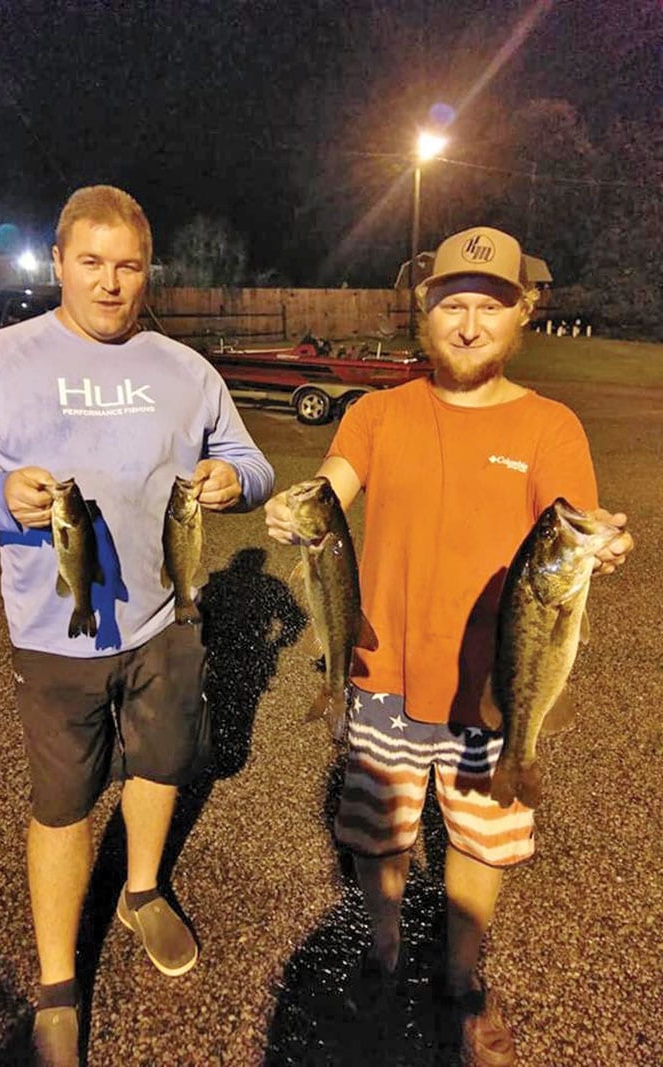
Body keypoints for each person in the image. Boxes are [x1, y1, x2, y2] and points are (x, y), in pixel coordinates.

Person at [0, 185, 274, 1066]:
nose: (110, 283)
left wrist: (234, 483)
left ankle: (143, 889)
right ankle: (59, 982)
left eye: (129, 266)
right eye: (92, 262)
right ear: (59, 261)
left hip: (167, 619)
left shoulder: (186, 370)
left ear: (149, 272)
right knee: (62, 806)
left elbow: (248, 460)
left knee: (160, 763)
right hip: (52, 636)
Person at [264, 226, 633, 1066]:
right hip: (381, 670)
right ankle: (384, 953)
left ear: (524, 314)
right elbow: (332, 487)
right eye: (452, 305)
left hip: (492, 687)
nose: (469, 325)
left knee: (479, 837)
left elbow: (576, 521)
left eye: (490, 307)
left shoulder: (550, 425)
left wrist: (604, 541)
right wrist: (295, 508)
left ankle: (463, 978)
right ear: (424, 313)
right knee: (381, 831)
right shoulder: (376, 412)